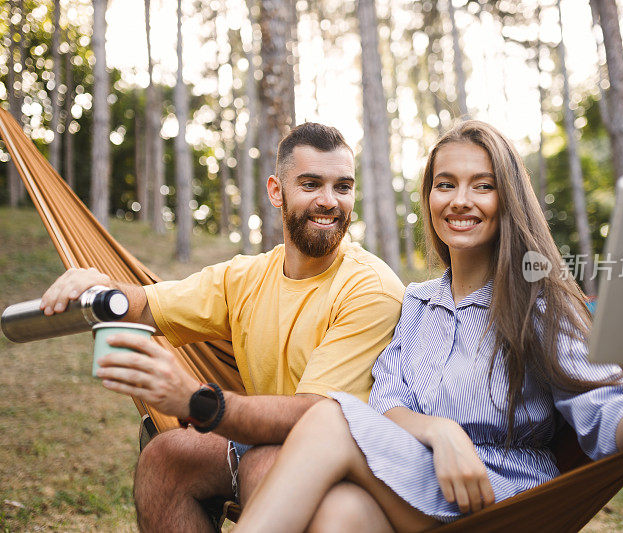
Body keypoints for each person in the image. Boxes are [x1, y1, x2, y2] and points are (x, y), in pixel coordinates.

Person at [233, 120, 623, 532]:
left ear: (507, 199)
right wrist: (441, 432)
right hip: (421, 481)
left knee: (327, 416)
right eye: (445, 184)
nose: (460, 200)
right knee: (339, 513)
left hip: (502, 502)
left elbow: (612, 423)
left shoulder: (541, 305)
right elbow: (385, 404)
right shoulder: (417, 303)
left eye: (482, 185)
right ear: (429, 197)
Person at [39, 123, 405, 531]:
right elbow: (147, 306)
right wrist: (103, 286)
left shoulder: (370, 288)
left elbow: (316, 417)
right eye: (311, 184)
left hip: (354, 464)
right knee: (165, 459)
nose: (329, 201)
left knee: (265, 465)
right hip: (265, 438)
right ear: (276, 191)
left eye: (343, 187)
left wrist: (197, 401)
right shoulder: (245, 277)